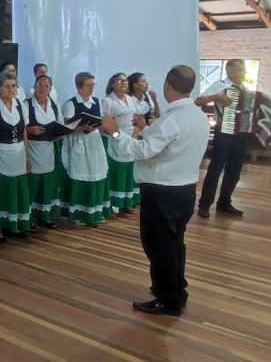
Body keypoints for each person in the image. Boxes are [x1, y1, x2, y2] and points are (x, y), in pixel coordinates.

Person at [101, 65, 209, 316]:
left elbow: (143, 150)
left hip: (163, 193)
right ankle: (176, 288)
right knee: (174, 243)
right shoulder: (196, 115)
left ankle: (167, 299)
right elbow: (167, 141)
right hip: (184, 189)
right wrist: (145, 126)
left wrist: (115, 131)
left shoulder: (172, 119)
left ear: (167, 85)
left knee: (159, 246)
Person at [0, 71, 31, 242]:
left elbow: (24, 131)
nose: (11, 90)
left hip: (17, 155)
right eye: (7, 86)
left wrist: (27, 157)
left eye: (14, 86)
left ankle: (14, 225)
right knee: (0, 192)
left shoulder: (19, 105)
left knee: (15, 191)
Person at [196, 59, 248, 218]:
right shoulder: (221, 85)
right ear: (230, 71)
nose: (243, 73)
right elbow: (199, 100)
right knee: (215, 170)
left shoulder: (244, 89)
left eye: (244, 69)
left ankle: (224, 203)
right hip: (224, 134)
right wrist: (216, 97)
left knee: (234, 171)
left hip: (241, 136)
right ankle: (204, 205)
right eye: (240, 70)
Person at [61, 73, 110, 226]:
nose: (91, 88)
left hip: (94, 142)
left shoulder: (96, 101)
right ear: (78, 86)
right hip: (79, 142)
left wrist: (105, 125)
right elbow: (65, 127)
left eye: (93, 85)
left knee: (96, 174)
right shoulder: (71, 103)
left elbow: (100, 121)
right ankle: (77, 213)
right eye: (88, 85)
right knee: (80, 175)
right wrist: (82, 128)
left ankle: (94, 211)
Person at [25, 75, 63, 228]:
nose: (42, 88)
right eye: (39, 84)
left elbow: (60, 123)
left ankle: (44, 216)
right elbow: (19, 129)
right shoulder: (26, 105)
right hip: (32, 148)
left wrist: (59, 134)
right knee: (32, 184)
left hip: (48, 148)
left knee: (46, 184)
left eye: (46, 86)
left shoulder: (53, 104)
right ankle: (29, 218)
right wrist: (31, 129)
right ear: (34, 86)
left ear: (50, 89)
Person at [102, 73, 142, 215]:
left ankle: (127, 202)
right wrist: (114, 134)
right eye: (119, 80)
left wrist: (135, 136)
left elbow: (138, 120)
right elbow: (104, 123)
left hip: (131, 139)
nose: (123, 83)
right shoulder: (108, 101)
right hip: (115, 140)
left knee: (129, 172)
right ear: (112, 84)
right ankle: (114, 203)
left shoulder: (132, 100)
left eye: (125, 81)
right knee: (117, 171)